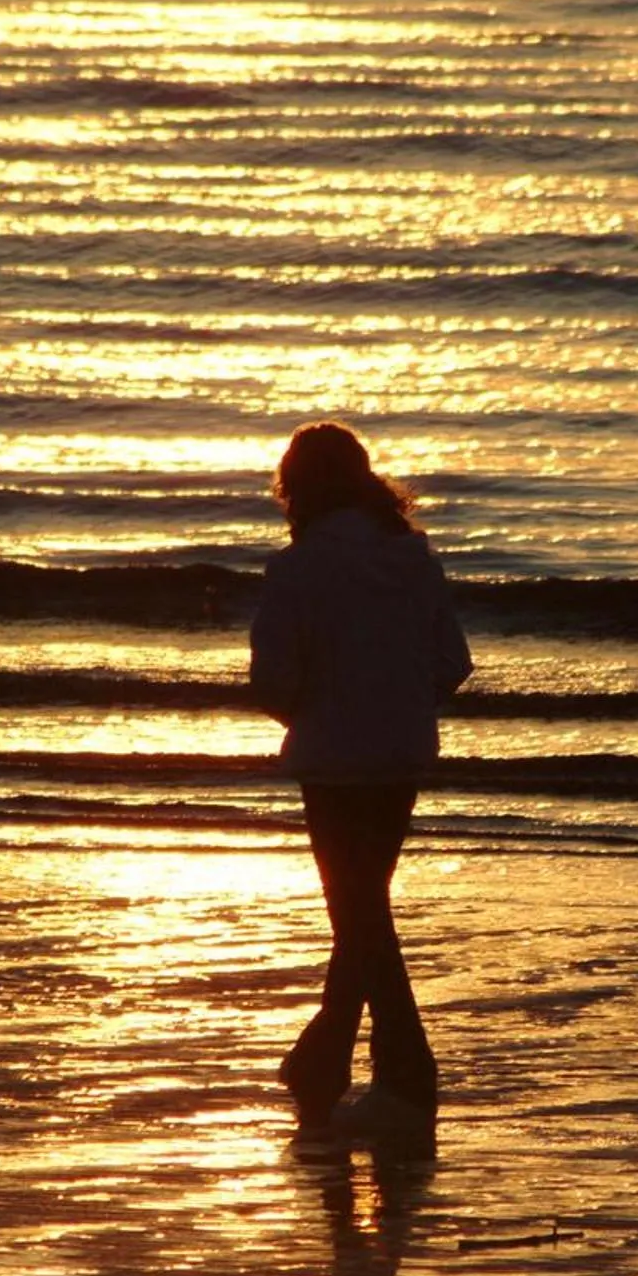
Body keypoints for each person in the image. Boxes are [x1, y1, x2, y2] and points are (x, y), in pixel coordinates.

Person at [250, 422, 472, 1137]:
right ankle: (328, 1056)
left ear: (298, 489)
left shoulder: (296, 570)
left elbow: (275, 681)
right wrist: (401, 705)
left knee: (358, 911)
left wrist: (311, 707)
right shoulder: (413, 559)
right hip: (401, 749)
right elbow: (452, 663)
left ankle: (409, 1072)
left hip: (333, 757)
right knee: (362, 906)